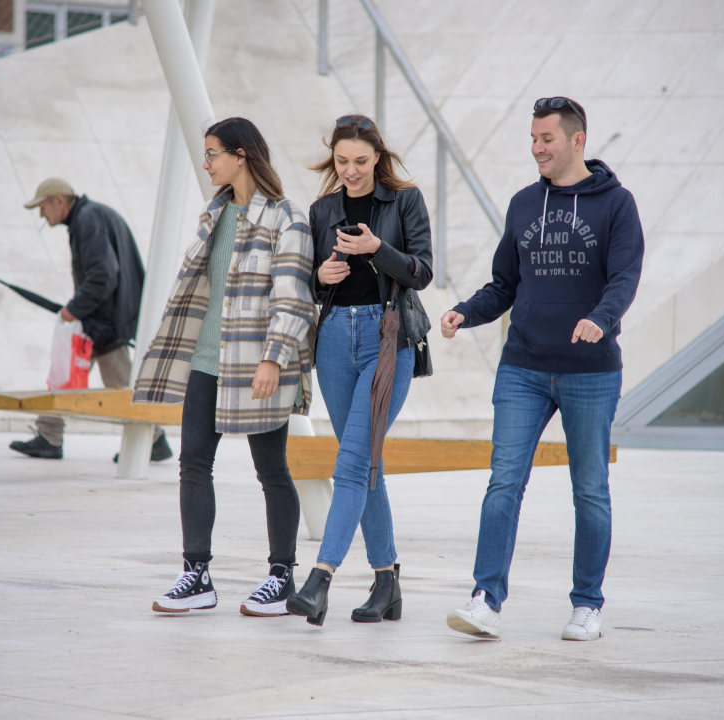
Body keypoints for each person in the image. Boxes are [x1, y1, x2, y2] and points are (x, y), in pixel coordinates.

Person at [441, 97, 643, 641]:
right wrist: (468, 311)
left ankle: (587, 605)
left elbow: (624, 277)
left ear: (577, 140)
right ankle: (486, 599)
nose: (537, 148)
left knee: (590, 489)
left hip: (590, 371)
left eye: (546, 139)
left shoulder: (616, 205)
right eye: (532, 139)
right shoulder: (524, 204)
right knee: (503, 481)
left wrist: (601, 319)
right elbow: (505, 283)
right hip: (524, 366)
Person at [133, 118, 315, 617]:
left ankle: (282, 576)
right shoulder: (213, 215)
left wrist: (274, 359)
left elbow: (294, 298)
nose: (207, 162)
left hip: (257, 364)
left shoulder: (286, 219)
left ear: (241, 155)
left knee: (271, 469)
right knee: (193, 462)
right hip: (207, 360)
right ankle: (197, 575)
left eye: (213, 153)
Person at [285, 114, 433, 626]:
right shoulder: (322, 209)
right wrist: (319, 276)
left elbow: (423, 271)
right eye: (343, 162)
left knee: (350, 461)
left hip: (387, 339)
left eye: (361, 162)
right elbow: (310, 282)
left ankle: (320, 577)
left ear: (378, 157)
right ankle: (387, 582)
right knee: (365, 460)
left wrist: (377, 249)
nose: (351, 171)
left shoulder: (405, 200)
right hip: (333, 341)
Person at [10, 177, 172, 463]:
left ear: (58, 201)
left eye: (42, 208)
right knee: (67, 373)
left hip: (104, 321)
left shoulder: (87, 219)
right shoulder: (89, 217)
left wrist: (73, 308)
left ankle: (154, 439)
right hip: (103, 317)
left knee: (119, 385)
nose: (41, 215)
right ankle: (49, 435)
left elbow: (103, 276)